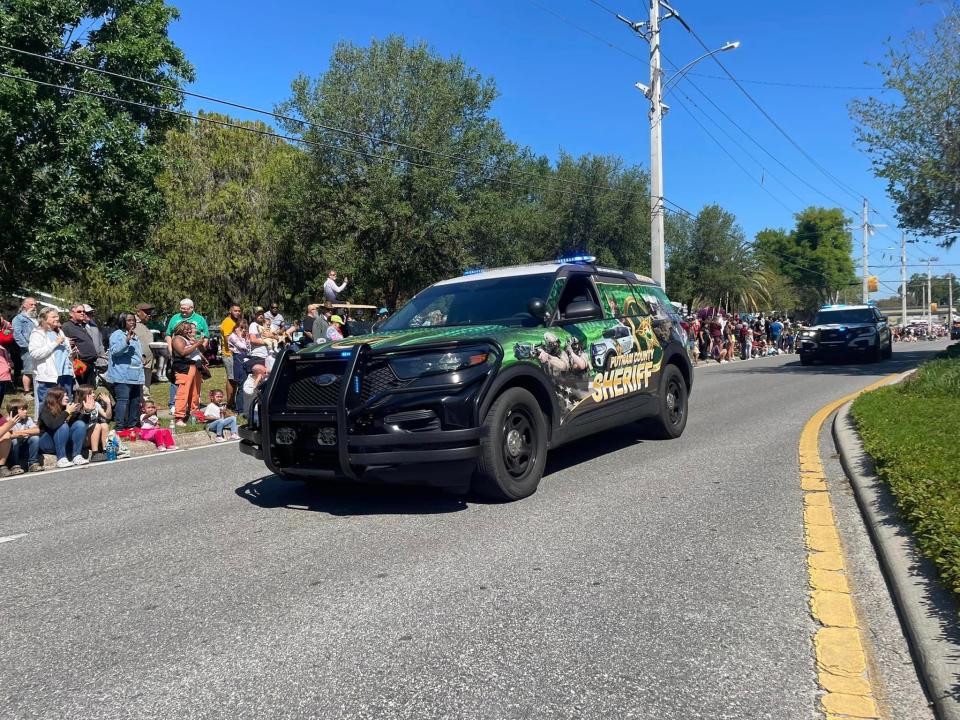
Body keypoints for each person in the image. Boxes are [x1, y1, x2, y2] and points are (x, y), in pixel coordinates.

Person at [29, 308, 75, 410]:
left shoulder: (59, 332)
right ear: (44, 319)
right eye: (53, 316)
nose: (57, 318)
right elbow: (34, 353)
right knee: (48, 405)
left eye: (57, 316)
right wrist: (55, 343)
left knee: (66, 403)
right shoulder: (38, 333)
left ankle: (65, 424)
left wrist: (72, 353)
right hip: (50, 377)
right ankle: (45, 425)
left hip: (65, 374)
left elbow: (63, 353)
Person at [106, 312, 145, 431]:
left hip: (136, 373)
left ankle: (132, 425)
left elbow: (136, 352)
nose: (132, 322)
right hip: (122, 374)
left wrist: (142, 357)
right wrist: (126, 340)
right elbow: (115, 351)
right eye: (129, 320)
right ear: (122, 321)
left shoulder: (134, 334)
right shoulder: (117, 334)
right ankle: (120, 427)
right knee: (122, 400)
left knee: (135, 400)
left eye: (133, 320)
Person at [37, 386, 88, 468]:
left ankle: (77, 456)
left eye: (67, 395)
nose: (67, 398)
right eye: (64, 396)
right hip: (46, 443)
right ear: (55, 398)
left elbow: (80, 426)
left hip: (63, 442)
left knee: (79, 424)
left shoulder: (67, 407)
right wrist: (67, 412)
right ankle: (61, 459)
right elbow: (53, 425)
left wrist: (86, 412)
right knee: (63, 426)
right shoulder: (45, 408)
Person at [171, 321, 206, 427]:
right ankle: (179, 417)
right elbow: (182, 352)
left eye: (190, 328)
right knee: (183, 392)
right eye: (187, 328)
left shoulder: (190, 339)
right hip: (184, 367)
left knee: (195, 393)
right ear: (180, 329)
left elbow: (202, 349)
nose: (189, 330)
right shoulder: (178, 338)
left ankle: (194, 415)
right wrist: (196, 344)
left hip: (195, 367)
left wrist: (198, 345)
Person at [61, 305, 99, 386]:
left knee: (88, 389)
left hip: (90, 363)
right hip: (79, 363)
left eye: (83, 311)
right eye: (79, 311)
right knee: (82, 389)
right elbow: (61, 342)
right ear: (71, 314)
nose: (82, 313)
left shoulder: (83, 325)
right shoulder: (67, 326)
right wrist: (66, 342)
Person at [74, 385, 112, 463]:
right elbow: (78, 423)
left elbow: (107, 416)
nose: (94, 395)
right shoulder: (77, 407)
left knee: (104, 425)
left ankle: (105, 451)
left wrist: (108, 404)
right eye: (91, 393)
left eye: (93, 392)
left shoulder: (96, 404)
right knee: (97, 425)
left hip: (94, 437)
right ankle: (94, 454)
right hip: (83, 439)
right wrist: (86, 411)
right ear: (84, 395)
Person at [2, 400, 41, 474]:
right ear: (13, 411)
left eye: (26, 409)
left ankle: (33, 463)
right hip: (12, 451)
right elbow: (8, 435)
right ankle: (14, 465)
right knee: (14, 440)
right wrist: (25, 432)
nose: (26, 411)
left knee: (35, 438)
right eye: (22, 409)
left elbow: (37, 430)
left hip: (24, 448)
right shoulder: (8, 421)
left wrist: (19, 433)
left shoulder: (28, 419)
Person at [13, 297, 38, 395]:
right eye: (31, 304)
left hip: (38, 348)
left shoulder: (35, 318)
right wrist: (27, 346)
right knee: (28, 370)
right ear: (24, 305)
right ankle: (26, 392)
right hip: (28, 349)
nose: (34, 307)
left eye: (35, 305)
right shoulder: (18, 318)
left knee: (37, 370)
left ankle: (36, 390)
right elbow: (17, 334)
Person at [219, 304, 242, 410]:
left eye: (239, 311)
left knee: (234, 378)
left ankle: (232, 402)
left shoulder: (234, 322)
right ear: (230, 311)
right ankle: (230, 403)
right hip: (229, 354)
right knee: (231, 378)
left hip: (235, 354)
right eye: (235, 311)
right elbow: (228, 340)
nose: (237, 312)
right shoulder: (228, 322)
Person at [227, 319, 251, 414]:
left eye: (245, 328)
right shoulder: (232, 336)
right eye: (241, 327)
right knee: (241, 383)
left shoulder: (245, 336)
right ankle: (239, 409)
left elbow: (249, 348)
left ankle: (245, 406)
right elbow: (243, 347)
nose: (243, 330)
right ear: (236, 327)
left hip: (246, 358)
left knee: (246, 382)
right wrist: (245, 338)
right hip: (238, 358)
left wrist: (247, 338)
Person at [133, 303, 156, 402]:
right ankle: (140, 409)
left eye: (150, 312)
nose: (149, 314)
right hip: (138, 363)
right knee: (139, 390)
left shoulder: (144, 324)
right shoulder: (132, 323)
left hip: (148, 364)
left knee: (145, 389)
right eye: (146, 312)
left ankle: (145, 409)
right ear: (138, 312)